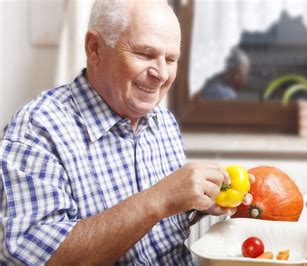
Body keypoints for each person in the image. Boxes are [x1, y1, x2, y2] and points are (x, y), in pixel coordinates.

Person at [0, 0, 251, 264]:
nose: (162, 74)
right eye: (145, 54)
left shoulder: (163, 121)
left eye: (170, 59)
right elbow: (31, 258)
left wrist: (199, 202)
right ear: (94, 48)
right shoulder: (37, 130)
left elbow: (163, 224)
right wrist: (159, 200)